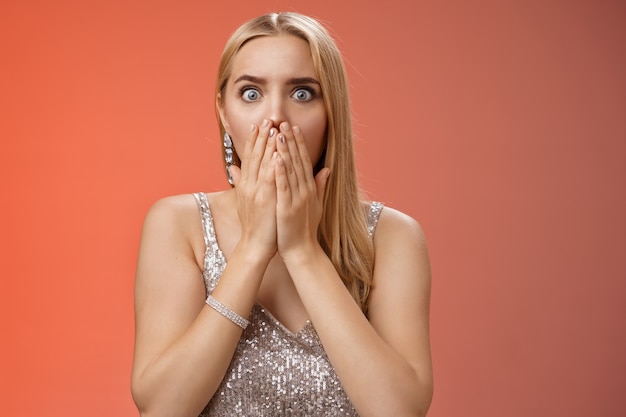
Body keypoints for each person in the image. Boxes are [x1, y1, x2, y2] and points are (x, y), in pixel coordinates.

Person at [131, 12, 433, 417]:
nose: (275, 117)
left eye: (303, 93)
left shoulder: (392, 236)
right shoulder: (178, 224)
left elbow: (399, 410)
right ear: (223, 111)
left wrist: (303, 250)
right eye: (251, 93)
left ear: (332, 112)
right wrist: (254, 248)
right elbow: (162, 407)